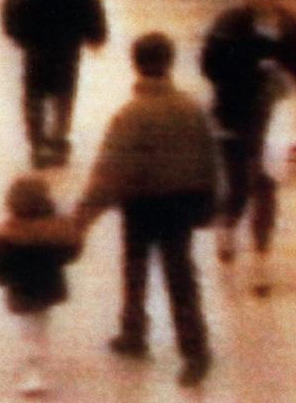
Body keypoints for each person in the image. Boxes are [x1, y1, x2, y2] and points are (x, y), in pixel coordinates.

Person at [75, 32, 217, 388]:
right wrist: (209, 203)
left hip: (141, 205)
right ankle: (194, 349)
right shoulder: (191, 107)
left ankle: (134, 332)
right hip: (181, 204)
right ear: (170, 62)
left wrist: (82, 219)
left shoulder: (131, 114)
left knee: (135, 269)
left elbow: (110, 171)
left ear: (136, 64)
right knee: (181, 274)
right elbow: (209, 158)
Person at [200, 2, 296, 270]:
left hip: (270, 120)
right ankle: (228, 225)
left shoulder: (291, 27)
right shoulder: (231, 23)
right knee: (238, 181)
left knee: (266, 184)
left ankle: (261, 250)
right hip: (234, 112)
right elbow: (210, 66)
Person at [2, 0, 107, 168]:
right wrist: (96, 33)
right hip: (66, 44)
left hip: (36, 43)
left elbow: (12, 4)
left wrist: (15, 32)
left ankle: (37, 145)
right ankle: (59, 141)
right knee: (63, 93)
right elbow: (91, 4)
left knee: (34, 93)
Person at [0, 175, 82, 397]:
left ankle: (34, 372)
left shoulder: (7, 234)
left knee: (28, 331)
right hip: (49, 287)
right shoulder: (56, 229)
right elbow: (72, 250)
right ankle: (37, 366)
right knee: (39, 327)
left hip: (21, 290)